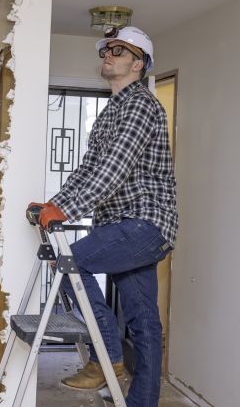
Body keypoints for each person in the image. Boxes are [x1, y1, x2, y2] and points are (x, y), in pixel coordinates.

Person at [28, 26, 178, 407]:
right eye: (106, 50)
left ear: (138, 64)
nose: (108, 55)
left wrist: (65, 209)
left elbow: (113, 169)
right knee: (144, 321)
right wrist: (53, 204)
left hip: (145, 223)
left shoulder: (141, 106)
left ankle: (106, 356)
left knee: (69, 263)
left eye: (118, 50)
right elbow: (88, 171)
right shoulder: (110, 112)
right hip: (124, 225)